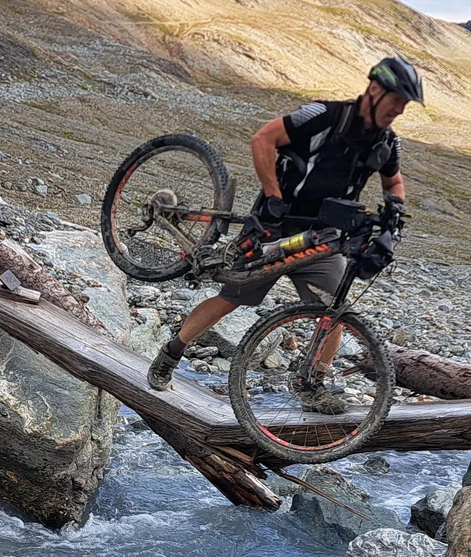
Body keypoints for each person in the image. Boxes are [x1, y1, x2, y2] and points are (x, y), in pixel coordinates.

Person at [145, 55, 422, 411]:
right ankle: (171, 354)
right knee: (232, 298)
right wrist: (273, 197)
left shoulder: (387, 143)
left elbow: (393, 181)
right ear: (374, 89)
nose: (399, 109)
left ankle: (311, 384)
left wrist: (394, 210)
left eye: (405, 104)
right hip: (275, 228)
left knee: (333, 310)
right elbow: (263, 139)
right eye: (397, 100)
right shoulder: (324, 115)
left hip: (322, 240)